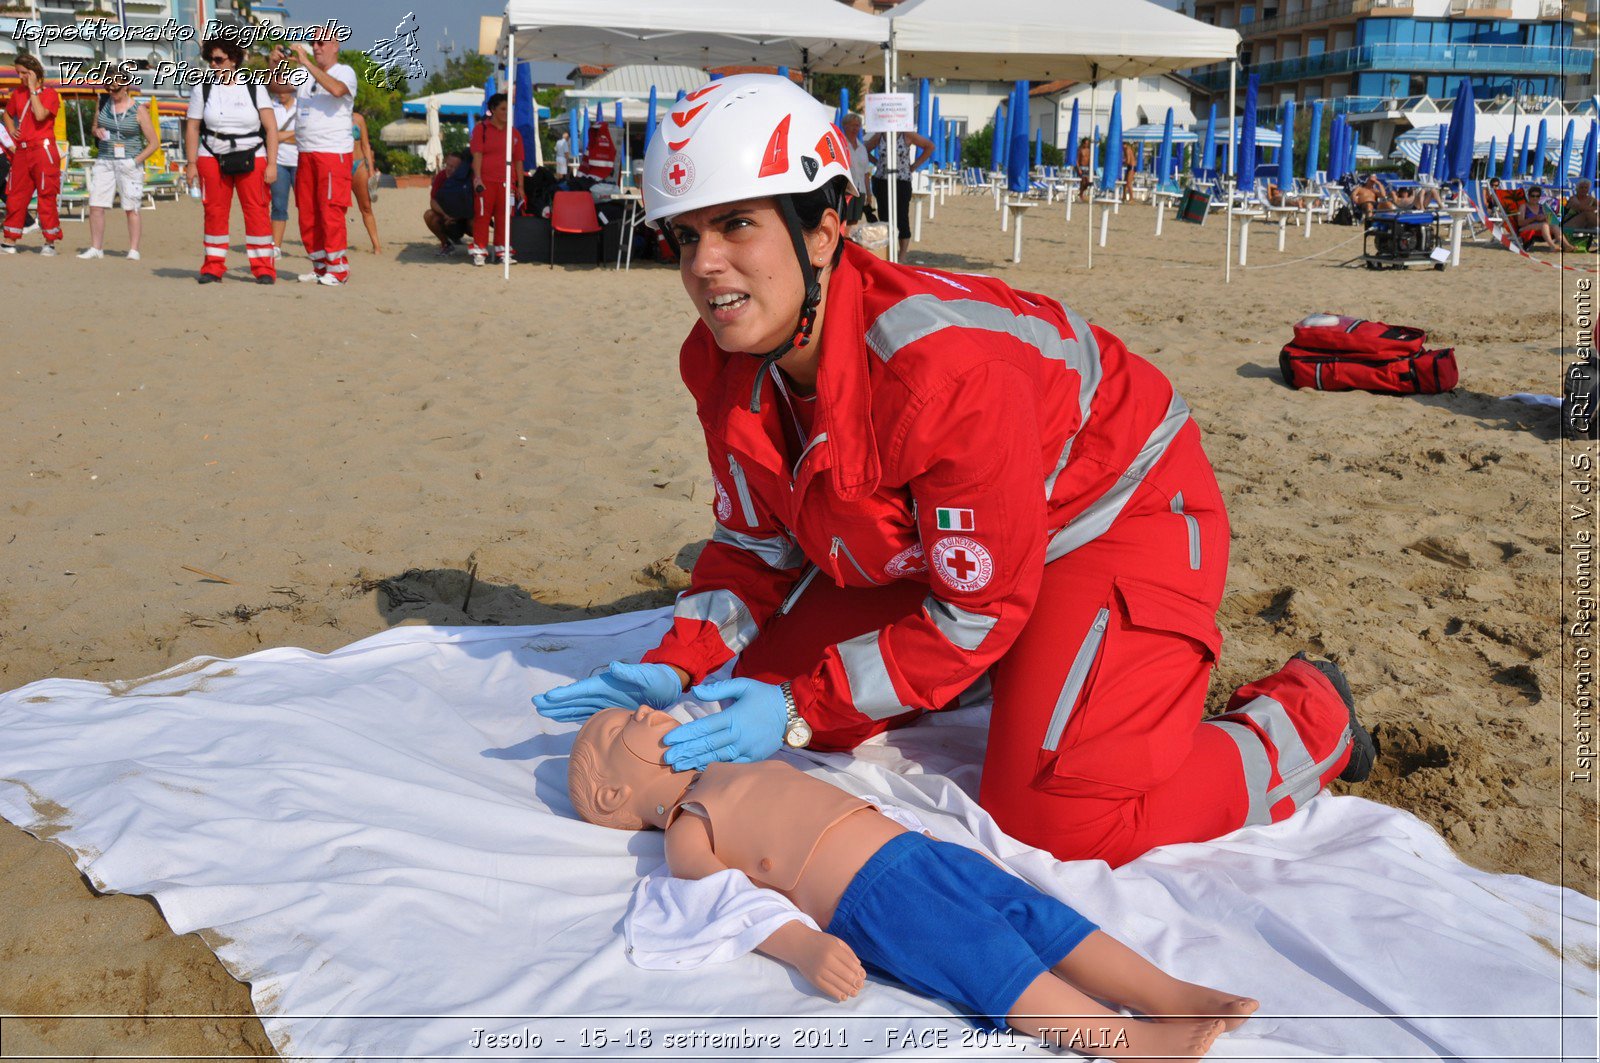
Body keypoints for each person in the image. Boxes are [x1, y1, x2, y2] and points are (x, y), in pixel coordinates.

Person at [533, 74, 1374, 870]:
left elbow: (977, 608)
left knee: (1060, 818)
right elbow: (756, 543)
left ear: (824, 229)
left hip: (1116, 510)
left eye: (737, 225)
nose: (703, 264)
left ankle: (1309, 714)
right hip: (973, 538)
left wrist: (799, 708)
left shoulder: (937, 372)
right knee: (765, 690)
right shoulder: (720, 359)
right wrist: (678, 658)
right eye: (685, 235)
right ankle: (1011, 676)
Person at [568, 704, 1257, 1056]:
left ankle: (1170, 993)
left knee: (1033, 914)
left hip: (913, 851)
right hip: (871, 898)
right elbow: (729, 902)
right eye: (624, 727)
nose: (648, 714)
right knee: (987, 958)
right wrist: (803, 946)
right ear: (611, 795)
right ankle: (1126, 1042)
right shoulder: (691, 826)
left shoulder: (727, 762)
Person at [184, 38, 278, 284]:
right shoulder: (202, 88)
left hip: (252, 154)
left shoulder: (254, 87)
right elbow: (193, 127)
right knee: (214, 211)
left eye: (218, 60)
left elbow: (271, 128)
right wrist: (191, 163)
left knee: (257, 211)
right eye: (210, 60)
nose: (213, 65)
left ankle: (263, 268)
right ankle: (213, 266)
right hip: (212, 155)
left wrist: (272, 163)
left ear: (233, 59)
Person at [274, 29, 356, 286]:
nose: (316, 47)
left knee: (330, 210)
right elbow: (275, 86)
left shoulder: (344, 71)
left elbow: (337, 90)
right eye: (313, 43)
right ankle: (320, 266)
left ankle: (339, 268)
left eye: (321, 43)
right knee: (308, 212)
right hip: (305, 152)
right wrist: (274, 63)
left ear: (335, 45)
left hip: (333, 153)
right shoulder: (304, 74)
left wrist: (307, 62)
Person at [80, 71, 156, 261]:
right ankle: (96, 247)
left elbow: (154, 143)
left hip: (129, 161)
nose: (112, 92)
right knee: (96, 203)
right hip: (105, 159)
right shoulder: (103, 102)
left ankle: (133, 249)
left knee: (131, 206)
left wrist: (135, 161)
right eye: (109, 88)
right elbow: (94, 127)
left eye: (116, 89)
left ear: (126, 87)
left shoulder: (138, 109)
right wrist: (96, 131)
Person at [1, 52, 62, 255]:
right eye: (19, 73)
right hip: (22, 151)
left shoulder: (50, 94)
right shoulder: (17, 94)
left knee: (46, 194)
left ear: (35, 72)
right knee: (15, 195)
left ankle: (49, 242)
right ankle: (10, 240)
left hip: (43, 150)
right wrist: (11, 130)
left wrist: (32, 90)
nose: (21, 77)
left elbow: (40, 114)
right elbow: (7, 114)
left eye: (24, 73)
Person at [468, 92, 523, 268]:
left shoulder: (514, 133)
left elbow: (518, 161)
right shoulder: (481, 129)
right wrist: (477, 178)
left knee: (504, 217)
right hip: (486, 181)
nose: (507, 112)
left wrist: (520, 185)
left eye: (509, 109)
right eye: (503, 109)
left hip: (507, 182)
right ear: (493, 109)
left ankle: (503, 250)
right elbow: (477, 155)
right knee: (482, 216)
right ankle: (480, 251)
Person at [864, 125, 932, 260]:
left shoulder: (906, 134)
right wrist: (877, 162)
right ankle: (887, 250)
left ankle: (902, 255)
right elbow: (864, 149)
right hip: (882, 179)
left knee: (902, 217)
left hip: (901, 180)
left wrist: (914, 166)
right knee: (884, 217)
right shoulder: (880, 134)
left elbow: (929, 147)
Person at [267, 80, 297, 259]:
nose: (281, 92)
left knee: (307, 205)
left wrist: (278, 136)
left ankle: (315, 246)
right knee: (278, 205)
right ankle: (276, 246)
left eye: (284, 88)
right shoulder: (271, 107)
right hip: (278, 161)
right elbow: (269, 135)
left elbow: (305, 134)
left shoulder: (301, 106)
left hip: (300, 160)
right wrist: (293, 135)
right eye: (278, 88)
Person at [424, 149, 471, 254]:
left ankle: (478, 248)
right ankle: (446, 244)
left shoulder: (466, 178)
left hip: (465, 218)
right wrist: (445, 215)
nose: (450, 169)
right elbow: (433, 201)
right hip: (446, 217)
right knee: (428, 215)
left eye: (454, 167)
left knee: (476, 221)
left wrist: (457, 216)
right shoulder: (441, 176)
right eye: (448, 165)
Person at [350, 111, 381, 255]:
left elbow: (365, 145)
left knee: (366, 207)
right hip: (340, 166)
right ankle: (335, 244)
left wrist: (371, 170)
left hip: (359, 164)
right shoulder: (331, 116)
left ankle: (376, 245)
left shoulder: (358, 118)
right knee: (337, 209)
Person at [1513, 184, 1579, 252]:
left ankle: (1567, 245)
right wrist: (1534, 218)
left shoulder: (1542, 207)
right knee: (1544, 225)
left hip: (1542, 226)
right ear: (1528, 196)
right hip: (1525, 228)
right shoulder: (1524, 206)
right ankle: (1552, 246)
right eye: (1533, 196)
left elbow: (1550, 220)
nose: (1535, 198)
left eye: (1537, 196)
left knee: (1554, 225)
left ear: (1539, 197)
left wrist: (1545, 218)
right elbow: (1520, 223)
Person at [839, 112, 873, 225]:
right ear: (845, 126)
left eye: (857, 125)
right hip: (846, 189)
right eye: (852, 125)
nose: (855, 128)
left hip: (860, 189)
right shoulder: (841, 144)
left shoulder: (862, 148)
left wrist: (869, 193)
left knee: (854, 221)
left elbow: (866, 173)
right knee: (843, 219)